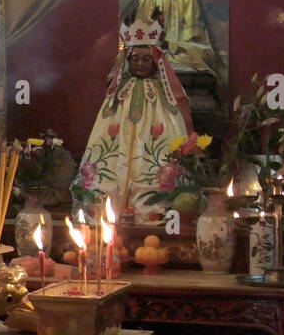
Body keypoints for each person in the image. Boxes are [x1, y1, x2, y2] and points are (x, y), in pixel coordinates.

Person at [71, 20, 195, 219]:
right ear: (126, 61)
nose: (140, 64)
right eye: (135, 58)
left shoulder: (164, 92)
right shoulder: (118, 90)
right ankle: (108, 208)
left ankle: (151, 207)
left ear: (156, 63)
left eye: (146, 59)